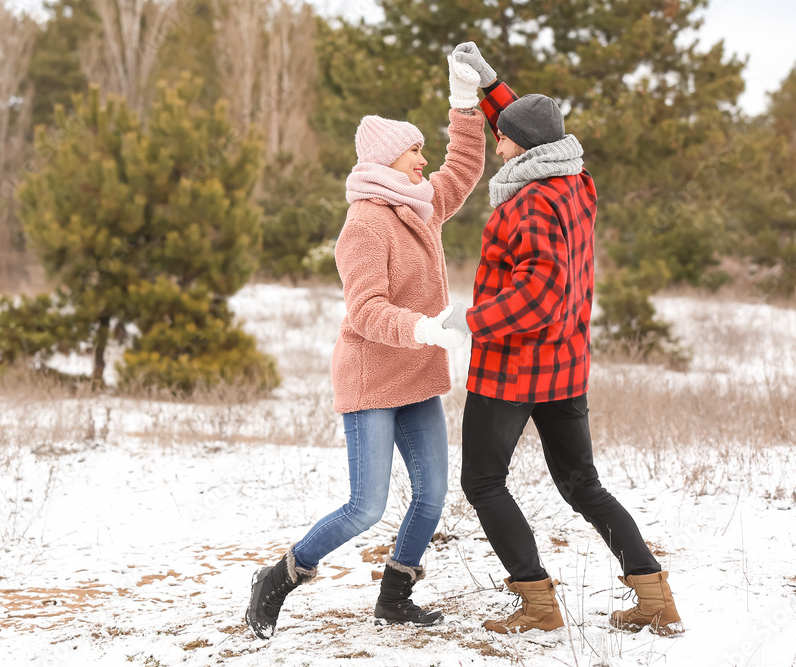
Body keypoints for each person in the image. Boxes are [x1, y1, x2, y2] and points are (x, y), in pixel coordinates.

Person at [442, 42, 684, 637]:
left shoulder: (526, 206)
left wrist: (470, 322)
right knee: (582, 485)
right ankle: (654, 597)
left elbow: (538, 297)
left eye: (502, 138)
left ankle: (538, 604)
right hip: (564, 368)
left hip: (512, 372)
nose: (496, 143)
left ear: (522, 151)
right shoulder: (577, 184)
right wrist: (491, 86)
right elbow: (529, 125)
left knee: (482, 482)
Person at [245, 56, 487, 640]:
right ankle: (279, 576)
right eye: (414, 153)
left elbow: (464, 166)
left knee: (432, 496)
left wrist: (464, 100)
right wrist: (425, 329)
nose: (424, 161)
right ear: (387, 161)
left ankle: (395, 597)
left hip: (415, 376)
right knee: (365, 506)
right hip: (372, 378)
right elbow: (366, 310)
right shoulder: (365, 226)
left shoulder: (420, 207)